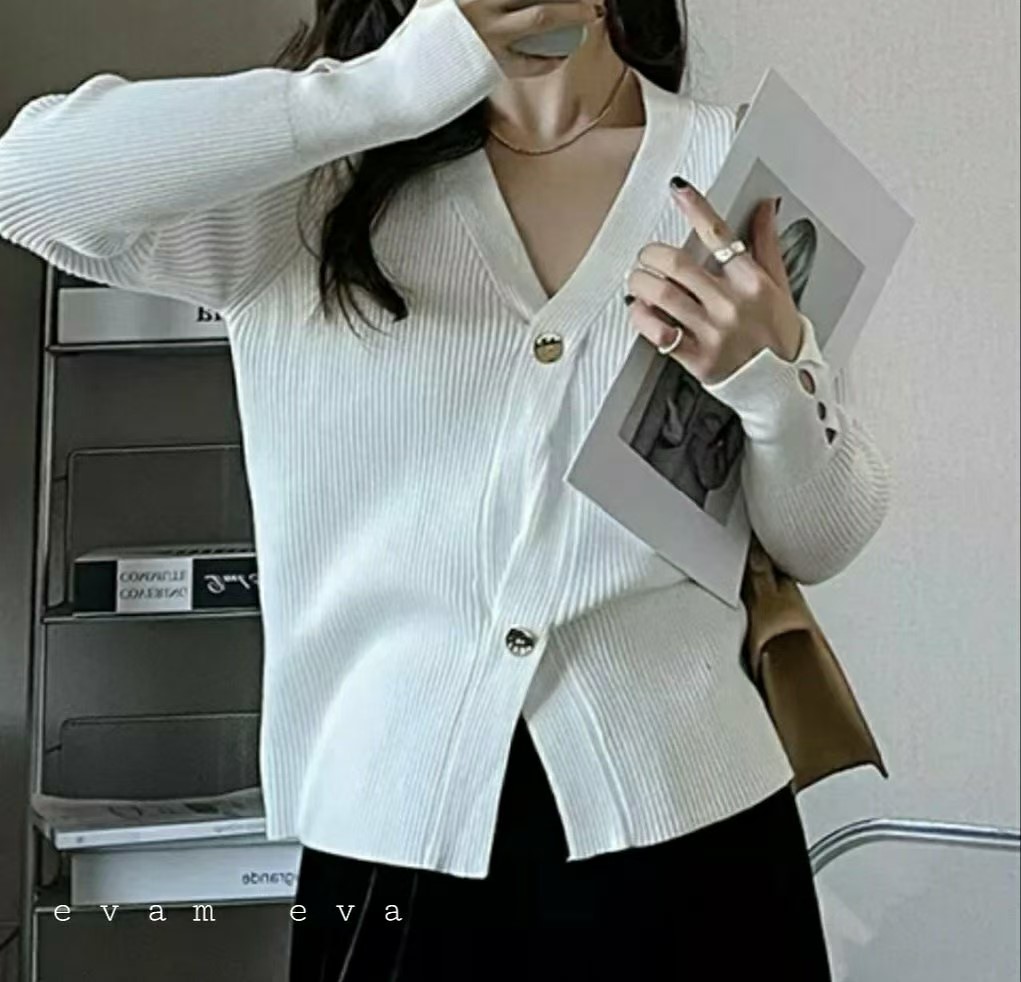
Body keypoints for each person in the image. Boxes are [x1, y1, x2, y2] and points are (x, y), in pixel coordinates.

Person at [0, 0, 891, 978]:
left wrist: (772, 377)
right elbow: (26, 181)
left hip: (694, 833)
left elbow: (823, 537)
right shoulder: (313, 188)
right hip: (391, 851)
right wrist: (383, 91)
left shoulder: (737, 172)